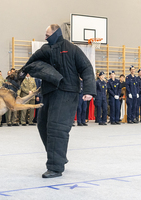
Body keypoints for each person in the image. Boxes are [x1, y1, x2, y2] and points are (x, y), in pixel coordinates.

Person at [22, 24, 96, 178]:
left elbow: (87, 68)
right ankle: (59, 156)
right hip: (49, 92)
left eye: (47, 35)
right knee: (42, 125)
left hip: (67, 92)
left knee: (57, 128)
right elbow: (29, 65)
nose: (45, 37)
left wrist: (89, 90)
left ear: (56, 33)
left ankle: (55, 167)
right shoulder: (45, 49)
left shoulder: (72, 49)